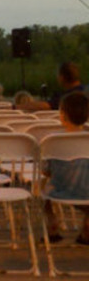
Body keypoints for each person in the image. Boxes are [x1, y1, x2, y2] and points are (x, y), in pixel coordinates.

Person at [42, 91, 89, 245]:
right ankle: (86, 229)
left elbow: (46, 170)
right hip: (86, 190)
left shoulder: (53, 140)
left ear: (62, 115)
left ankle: (52, 223)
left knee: (41, 186)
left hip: (60, 190)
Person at [18, 62, 84, 111]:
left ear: (61, 77)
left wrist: (19, 107)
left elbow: (47, 106)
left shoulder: (66, 98)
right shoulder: (85, 91)